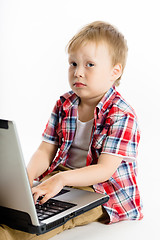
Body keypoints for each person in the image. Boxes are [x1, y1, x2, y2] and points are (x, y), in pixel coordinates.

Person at [0, 21, 143, 240]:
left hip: (102, 190)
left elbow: (104, 170)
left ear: (115, 71)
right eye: (73, 63)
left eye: (90, 65)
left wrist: (60, 180)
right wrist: (27, 177)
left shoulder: (122, 115)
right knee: (18, 203)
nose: (78, 72)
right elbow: (45, 150)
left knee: (43, 220)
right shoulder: (64, 104)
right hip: (64, 176)